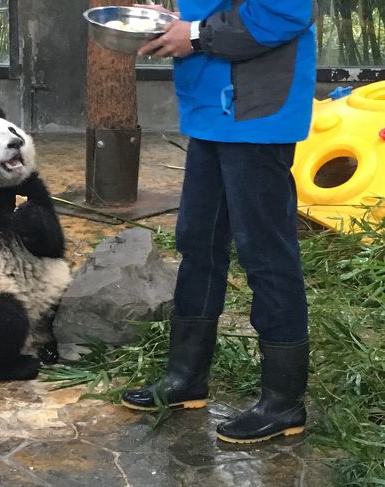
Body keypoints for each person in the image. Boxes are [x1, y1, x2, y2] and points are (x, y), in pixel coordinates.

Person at [120, 0, 317, 444]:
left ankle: (283, 402)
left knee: (264, 250)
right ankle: (185, 377)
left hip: (257, 111)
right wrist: (171, 20)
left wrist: (193, 35)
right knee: (197, 240)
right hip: (213, 110)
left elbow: (284, 12)